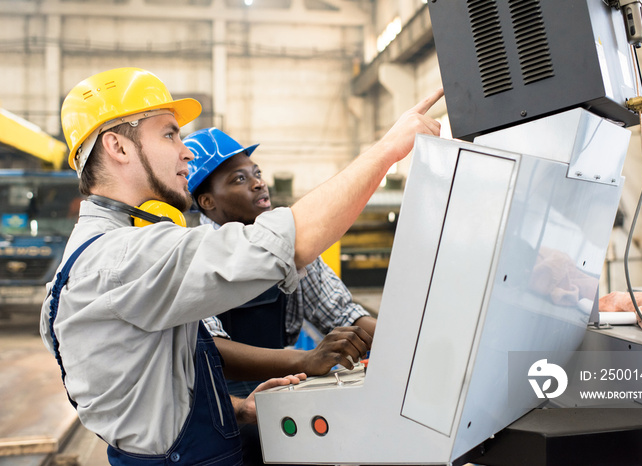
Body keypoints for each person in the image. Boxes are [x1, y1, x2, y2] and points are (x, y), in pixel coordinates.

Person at [39, 66, 443, 465]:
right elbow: (286, 243)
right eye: (169, 133)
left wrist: (232, 408)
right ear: (118, 147)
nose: (186, 150)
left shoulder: (94, 257)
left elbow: (147, 389)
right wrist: (390, 148)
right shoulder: (122, 257)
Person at [184, 128, 377, 466]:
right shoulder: (190, 257)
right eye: (239, 179)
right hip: (219, 403)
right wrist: (305, 361)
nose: (258, 183)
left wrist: (413, 340)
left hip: (280, 385)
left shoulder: (289, 248)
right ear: (207, 202)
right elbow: (211, 350)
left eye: (257, 173)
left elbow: (343, 313)